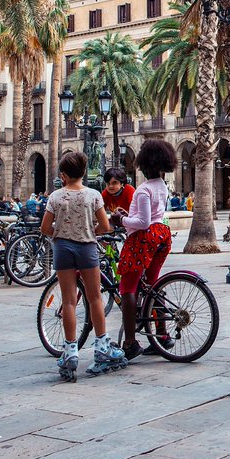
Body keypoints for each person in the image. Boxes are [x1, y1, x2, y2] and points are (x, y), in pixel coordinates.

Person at [41, 151, 127, 378]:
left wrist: (59, 234)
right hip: (87, 248)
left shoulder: (55, 197)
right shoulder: (93, 195)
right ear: (82, 174)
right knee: (95, 297)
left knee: (68, 301)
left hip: (62, 250)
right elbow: (106, 226)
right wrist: (90, 231)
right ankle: (102, 346)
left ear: (64, 175)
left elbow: (44, 227)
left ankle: (70, 351)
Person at [110, 139, 177, 360]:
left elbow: (143, 222)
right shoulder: (161, 186)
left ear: (144, 164)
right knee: (152, 285)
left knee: (128, 288)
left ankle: (130, 343)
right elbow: (153, 217)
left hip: (143, 239)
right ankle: (162, 335)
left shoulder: (143, 190)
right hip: (162, 236)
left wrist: (122, 219)